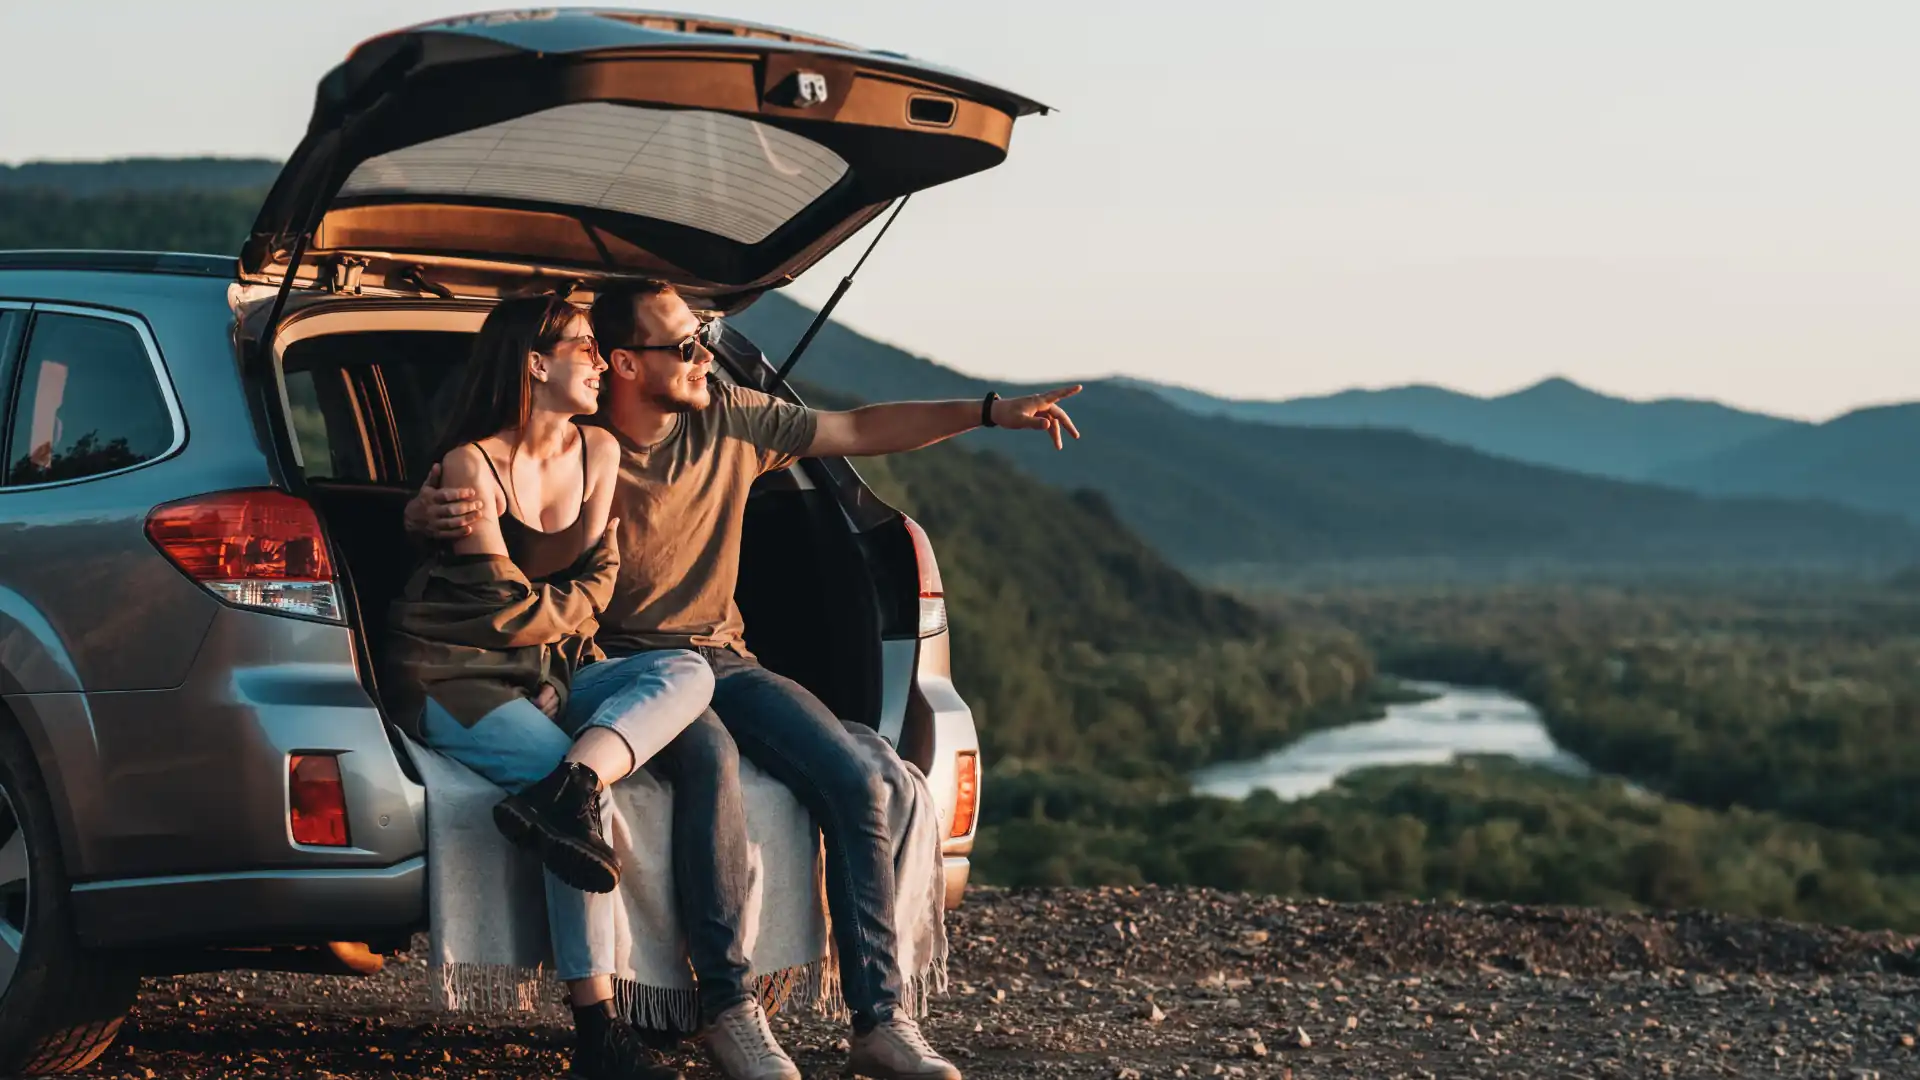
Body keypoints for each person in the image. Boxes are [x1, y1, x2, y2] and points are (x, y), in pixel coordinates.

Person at [405, 281, 1081, 1080]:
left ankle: (880, 1021)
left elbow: (857, 427)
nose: (703, 357)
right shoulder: (572, 434)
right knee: (710, 763)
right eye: (683, 345)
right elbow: (503, 533)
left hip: (721, 656)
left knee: (857, 776)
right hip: (616, 666)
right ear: (621, 361)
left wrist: (990, 411)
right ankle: (729, 1009)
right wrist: (420, 512)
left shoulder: (727, 416)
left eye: (703, 340)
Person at [385, 294, 715, 1080]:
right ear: (534, 362)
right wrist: (554, 654)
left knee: (688, 670)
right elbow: (498, 613)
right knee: (588, 820)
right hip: (451, 670)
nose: (601, 362)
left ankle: (569, 783)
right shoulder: (472, 466)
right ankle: (600, 1030)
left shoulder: (599, 452)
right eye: (584, 347)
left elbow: (601, 584)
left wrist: (560, 678)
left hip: (550, 670)